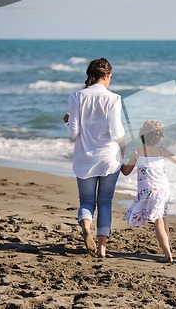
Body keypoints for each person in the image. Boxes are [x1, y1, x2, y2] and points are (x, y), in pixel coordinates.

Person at [63, 58, 125, 258]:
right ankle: (102, 249)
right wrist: (126, 148)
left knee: (87, 201)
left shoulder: (76, 96)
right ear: (107, 76)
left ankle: (86, 229)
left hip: (84, 159)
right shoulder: (114, 98)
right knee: (105, 201)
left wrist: (67, 121)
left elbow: (73, 132)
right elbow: (116, 132)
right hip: (109, 158)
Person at [121, 120, 176, 263]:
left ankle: (167, 255)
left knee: (158, 221)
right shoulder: (162, 150)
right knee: (163, 218)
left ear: (142, 134)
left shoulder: (138, 151)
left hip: (149, 191)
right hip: (164, 190)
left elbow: (126, 172)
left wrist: (119, 160)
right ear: (159, 137)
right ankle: (168, 247)